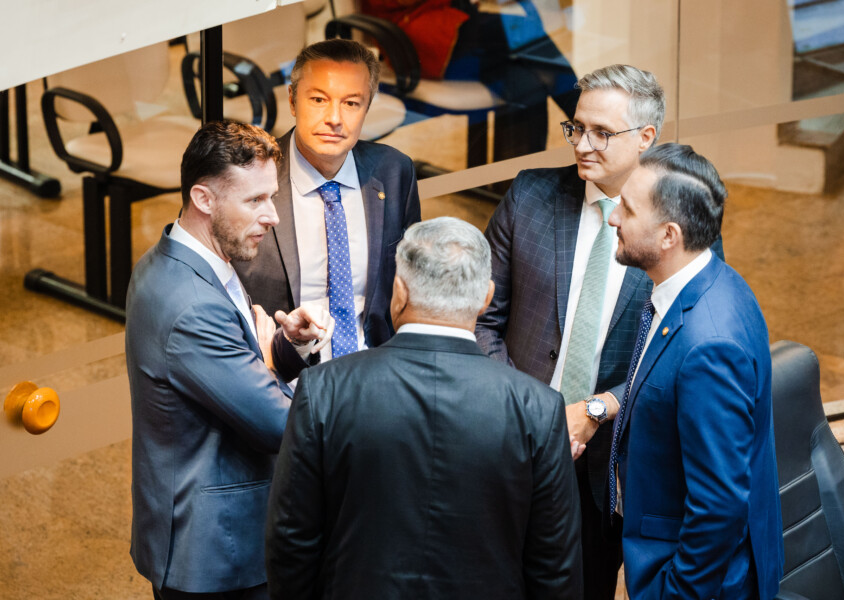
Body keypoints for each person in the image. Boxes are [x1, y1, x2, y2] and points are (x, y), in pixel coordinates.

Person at [265, 217, 583, 600]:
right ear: (486, 297)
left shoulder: (325, 388)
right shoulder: (539, 408)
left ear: (399, 292)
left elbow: (291, 541)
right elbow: (555, 567)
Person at [476, 64, 684, 599]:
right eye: (576, 127)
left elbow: (680, 357)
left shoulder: (676, 224)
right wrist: (525, 408)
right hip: (510, 439)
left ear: (646, 137)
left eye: (602, 133)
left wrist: (599, 408)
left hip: (608, 464)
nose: (582, 145)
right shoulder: (529, 195)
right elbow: (481, 317)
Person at [126, 121, 334, 600]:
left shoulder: (190, 258)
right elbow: (279, 424)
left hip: (213, 532)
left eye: (272, 197)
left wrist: (287, 348)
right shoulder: (191, 304)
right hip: (215, 552)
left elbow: (230, 372)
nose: (273, 216)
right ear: (203, 198)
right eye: (255, 200)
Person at [608, 143, 783, 599]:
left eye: (627, 209)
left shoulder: (710, 346)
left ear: (669, 235)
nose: (613, 219)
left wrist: (676, 592)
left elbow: (719, 506)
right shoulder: (715, 280)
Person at [235, 39, 421, 363]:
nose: (334, 118)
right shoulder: (246, 180)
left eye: (351, 103)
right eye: (319, 99)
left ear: (367, 107)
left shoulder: (394, 172)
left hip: (374, 370)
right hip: (281, 377)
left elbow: (413, 287)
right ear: (292, 101)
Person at [361, 0, 580, 160]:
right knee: (525, 35)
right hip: (415, 34)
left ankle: (523, 183)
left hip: (446, 19)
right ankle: (584, 120)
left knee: (528, 80)